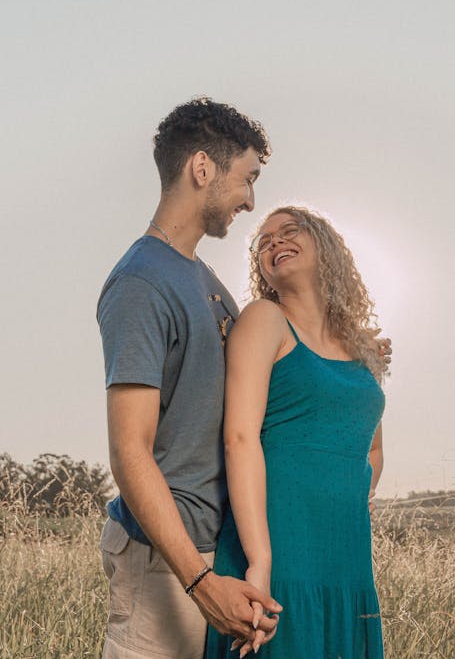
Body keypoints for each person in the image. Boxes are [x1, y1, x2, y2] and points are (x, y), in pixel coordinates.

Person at [96, 97, 283, 659]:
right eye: (247, 179)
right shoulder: (140, 284)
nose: (252, 200)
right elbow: (130, 452)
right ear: (202, 168)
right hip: (167, 560)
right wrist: (199, 584)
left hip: (214, 553)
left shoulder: (204, 280)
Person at [205, 206, 389, 659]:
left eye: (290, 231)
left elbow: (373, 446)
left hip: (346, 556)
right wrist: (260, 561)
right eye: (263, 242)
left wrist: (343, 496)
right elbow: (240, 439)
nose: (274, 242)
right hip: (277, 544)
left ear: (326, 247)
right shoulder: (264, 320)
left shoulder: (363, 347)